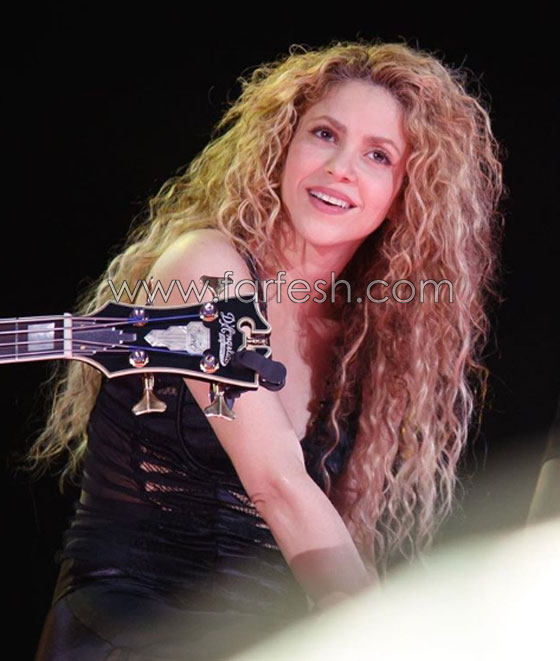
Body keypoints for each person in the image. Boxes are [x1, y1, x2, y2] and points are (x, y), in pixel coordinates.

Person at [21, 38, 504, 659]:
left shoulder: (366, 338)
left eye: (378, 155)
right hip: (136, 623)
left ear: (406, 192)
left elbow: (338, 545)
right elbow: (278, 485)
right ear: (283, 143)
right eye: (325, 134)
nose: (341, 169)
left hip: (259, 637)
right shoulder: (204, 268)